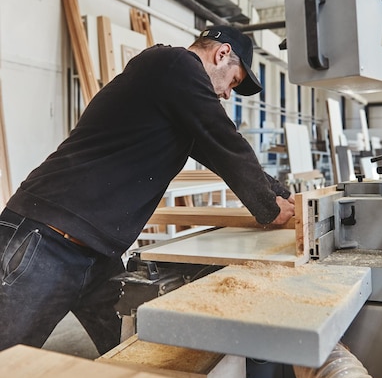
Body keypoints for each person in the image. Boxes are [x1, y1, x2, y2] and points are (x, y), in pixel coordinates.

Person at [0, 24, 295, 354]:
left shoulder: (174, 98)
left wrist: (281, 193)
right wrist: (269, 207)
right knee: (8, 363)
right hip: (46, 238)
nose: (227, 94)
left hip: (97, 255)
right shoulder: (174, 64)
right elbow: (226, 138)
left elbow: (220, 150)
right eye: (233, 82)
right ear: (221, 53)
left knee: (139, 355)